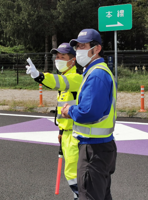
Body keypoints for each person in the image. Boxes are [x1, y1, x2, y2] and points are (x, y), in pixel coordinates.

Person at [61, 29, 117, 200]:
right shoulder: (95, 71)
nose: (78, 50)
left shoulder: (96, 74)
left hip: (93, 150)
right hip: (101, 147)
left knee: (90, 195)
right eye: (77, 46)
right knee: (101, 195)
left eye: (83, 46)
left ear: (97, 48)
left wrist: (69, 110)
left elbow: (89, 112)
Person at [26, 43, 83, 200]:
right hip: (66, 134)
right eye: (57, 56)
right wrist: (60, 132)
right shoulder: (66, 81)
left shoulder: (76, 78)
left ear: (72, 60)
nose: (58, 59)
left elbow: (58, 81)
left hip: (75, 136)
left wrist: (39, 76)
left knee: (74, 175)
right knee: (72, 174)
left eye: (62, 57)